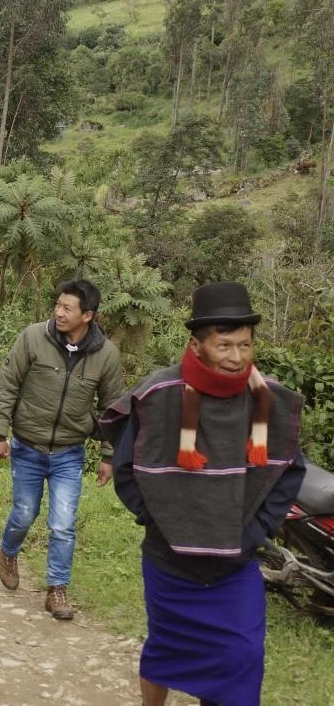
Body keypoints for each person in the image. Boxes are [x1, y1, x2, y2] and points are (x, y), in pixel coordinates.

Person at [100, 282, 305, 706]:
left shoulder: (270, 399)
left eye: (245, 345)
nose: (236, 357)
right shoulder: (159, 395)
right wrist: (159, 522)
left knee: (243, 654)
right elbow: (125, 470)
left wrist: (254, 533)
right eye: (224, 344)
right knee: (165, 650)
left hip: (235, 565)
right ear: (196, 345)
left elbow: (288, 473)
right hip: (169, 562)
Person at [0, 278, 125, 620]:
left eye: (68, 308)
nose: (59, 312)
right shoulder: (34, 337)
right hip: (27, 445)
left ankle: (57, 590)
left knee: (63, 523)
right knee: (24, 513)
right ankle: (8, 550)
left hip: (69, 451)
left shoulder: (106, 355)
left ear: (88, 315)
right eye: (58, 305)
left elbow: (113, 408)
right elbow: (7, 384)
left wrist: (110, 454)